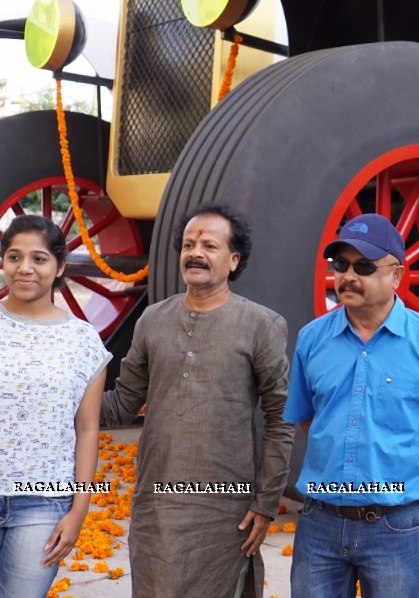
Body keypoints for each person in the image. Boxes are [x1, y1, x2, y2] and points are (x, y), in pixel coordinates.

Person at [101, 203, 292, 598]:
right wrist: (53, 398)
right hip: (157, 503)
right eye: (189, 244)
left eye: (209, 245)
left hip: (226, 509)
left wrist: (266, 502)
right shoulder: (153, 319)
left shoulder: (261, 325)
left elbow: (280, 419)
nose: (196, 253)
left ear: (233, 259)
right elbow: (122, 404)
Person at [285, 213, 419, 598]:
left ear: (397, 276)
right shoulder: (311, 340)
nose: (348, 276)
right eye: (340, 265)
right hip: (319, 522)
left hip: (396, 526)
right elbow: (309, 418)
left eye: (365, 266)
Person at [0, 214, 110, 598]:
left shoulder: (84, 341)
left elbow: (87, 429)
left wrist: (78, 511)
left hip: (45, 503)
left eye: (39, 259)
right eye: (14, 257)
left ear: (59, 267)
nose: (25, 269)